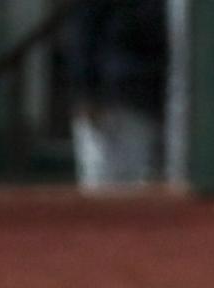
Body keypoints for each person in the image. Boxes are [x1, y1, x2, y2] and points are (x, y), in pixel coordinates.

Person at [64, 0, 167, 190]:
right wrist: (86, 93)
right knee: (103, 182)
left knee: (140, 183)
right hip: (110, 94)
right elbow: (83, 36)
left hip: (147, 99)